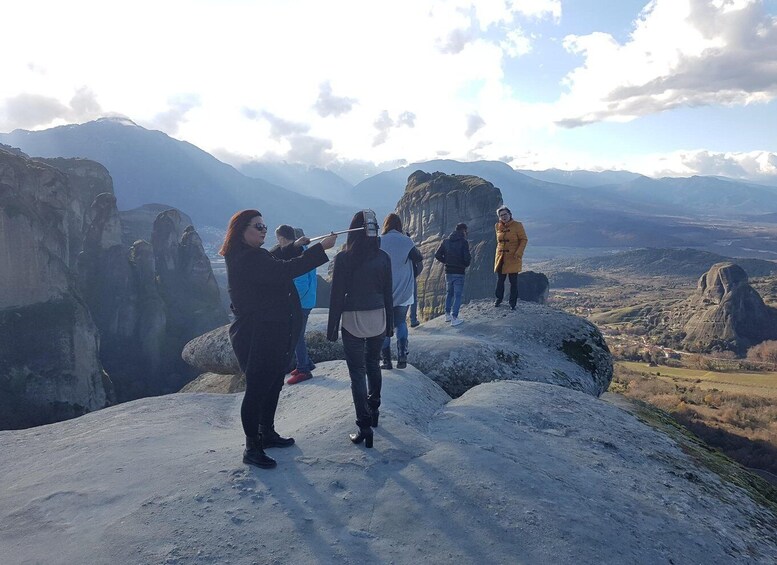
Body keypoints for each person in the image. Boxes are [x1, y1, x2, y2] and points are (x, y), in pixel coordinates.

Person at [220, 210, 337, 469]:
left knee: (273, 384)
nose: (263, 229)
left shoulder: (251, 254)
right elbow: (284, 270)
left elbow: (273, 258)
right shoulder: (247, 258)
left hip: (270, 331)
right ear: (241, 230)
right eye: (257, 226)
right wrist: (319, 250)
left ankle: (268, 433)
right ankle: (252, 447)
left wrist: (294, 246)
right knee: (257, 389)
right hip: (257, 334)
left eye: (264, 225)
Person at [327, 211, 394, 448]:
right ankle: (374, 410)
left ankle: (364, 426)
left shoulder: (344, 259)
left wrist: (332, 327)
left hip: (352, 318)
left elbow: (336, 295)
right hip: (378, 316)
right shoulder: (383, 257)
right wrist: (390, 325)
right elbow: (388, 293)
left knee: (357, 373)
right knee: (373, 364)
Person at [274, 225, 317, 385]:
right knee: (298, 334)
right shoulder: (305, 249)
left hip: (301, 302)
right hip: (308, 299)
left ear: (283, 238)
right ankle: (307, 363)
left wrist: (290, 301)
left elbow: (300, 283)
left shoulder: (298, 253)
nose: (278, 243)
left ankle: (303, 369)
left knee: (296, 335)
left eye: (278, 239)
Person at [379, 213, 422, 369]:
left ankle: (386, 361)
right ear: (399, 225)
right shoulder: (406, 241)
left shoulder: (379, 241)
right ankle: (402, 356)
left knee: (384, 326)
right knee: (401, 323)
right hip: (403, 290)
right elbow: (419, 257)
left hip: (383, 292)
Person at [434, 222, 471, 326]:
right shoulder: (463, 242)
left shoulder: (446, 241)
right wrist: (465, 264)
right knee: (458, 295)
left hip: (448, 271)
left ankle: (447, 315)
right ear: (463, 230)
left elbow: (437, 255)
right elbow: (467, 257)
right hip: (459, 272)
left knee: (449, 293)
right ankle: (454, 318)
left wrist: (446, 261)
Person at [493, 206, 528, 310]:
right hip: (501, 257)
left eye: (505, 214)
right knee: (500, 280)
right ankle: (498, 299)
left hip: (513, 257)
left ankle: (512, 303)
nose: (503, 217)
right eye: (501, 215)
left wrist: (519, 253)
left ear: (510, 214)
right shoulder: (497, 226)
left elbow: (524, 239)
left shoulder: (518, 225)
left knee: (513, 281)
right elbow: (499, 241)